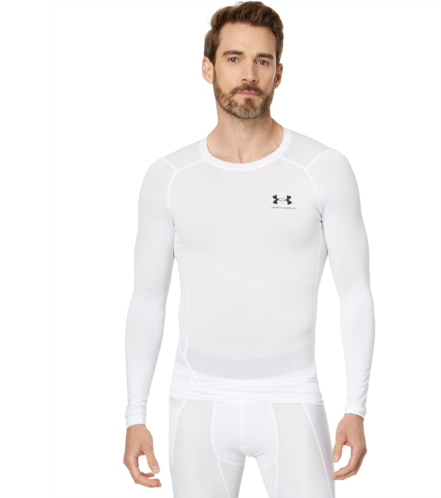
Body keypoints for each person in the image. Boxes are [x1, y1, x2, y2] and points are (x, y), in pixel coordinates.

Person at [123, 2, 375, 496]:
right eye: (234, 58)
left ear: (278, 74)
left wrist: (356, 406)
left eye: (262, 61)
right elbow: (147, 300)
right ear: (208, 68)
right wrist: (135, 414)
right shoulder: (169, 177)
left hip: (292, 396)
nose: (248, 75)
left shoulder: (322, 169)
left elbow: (355, 294)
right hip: (196, 400)